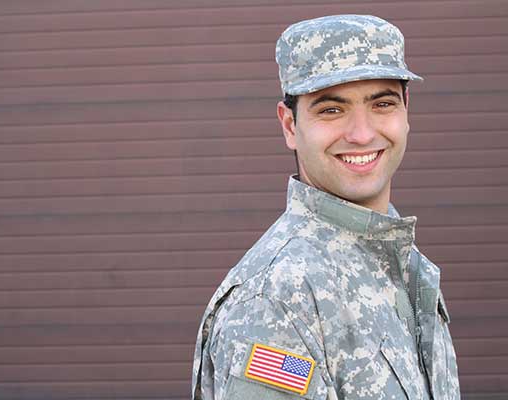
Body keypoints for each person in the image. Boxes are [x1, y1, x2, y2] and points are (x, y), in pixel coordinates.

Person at [191, 14, 461, 400]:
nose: (363, 133)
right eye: (331, 110)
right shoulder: (279, 298)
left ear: (406, 111)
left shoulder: (400, 262)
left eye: (382, 103)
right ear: (289, 125)